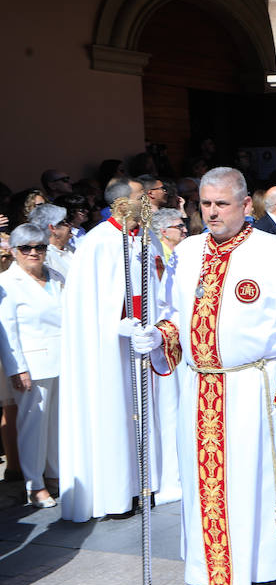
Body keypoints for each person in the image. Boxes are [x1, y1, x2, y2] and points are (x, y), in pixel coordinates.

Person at [129, 166, 276, 585]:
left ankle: (258, 574)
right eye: (206, 204)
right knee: (204, 483)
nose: (212, 212)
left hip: (253, 386)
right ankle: (212, 567)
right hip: (201, 387)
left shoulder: (271, 252)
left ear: (245, 205)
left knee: (252, 483)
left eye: (222, 204)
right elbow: (174, 312)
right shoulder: (187, 252)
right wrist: (158, 337)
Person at [57, 178, 162, 521]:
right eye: (141, 197)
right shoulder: (98, 242)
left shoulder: (144, 237)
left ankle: (145, 484)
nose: (148, 202)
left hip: (143, 341)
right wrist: (112, 325)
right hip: (110, 350)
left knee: (145, 415)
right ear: (121, 203)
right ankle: (116, 493)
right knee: (116, 415)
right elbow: (84, 305)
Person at [0, 224, 64, 507]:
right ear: (14, 251)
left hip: (64, 359)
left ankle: (54, 474)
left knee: (58, 424)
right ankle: (35, 484)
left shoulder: (56, 276)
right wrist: (17, 368)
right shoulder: (6, 282)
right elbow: (7, 330)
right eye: (26, 247)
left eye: (39, 247)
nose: (33, 252)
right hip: (33, 363)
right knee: (33, 426)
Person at [27, 204, 74, 279]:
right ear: (52, 228)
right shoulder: (43, 257)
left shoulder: (72, 249)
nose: (70, 224)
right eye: (66, 221)